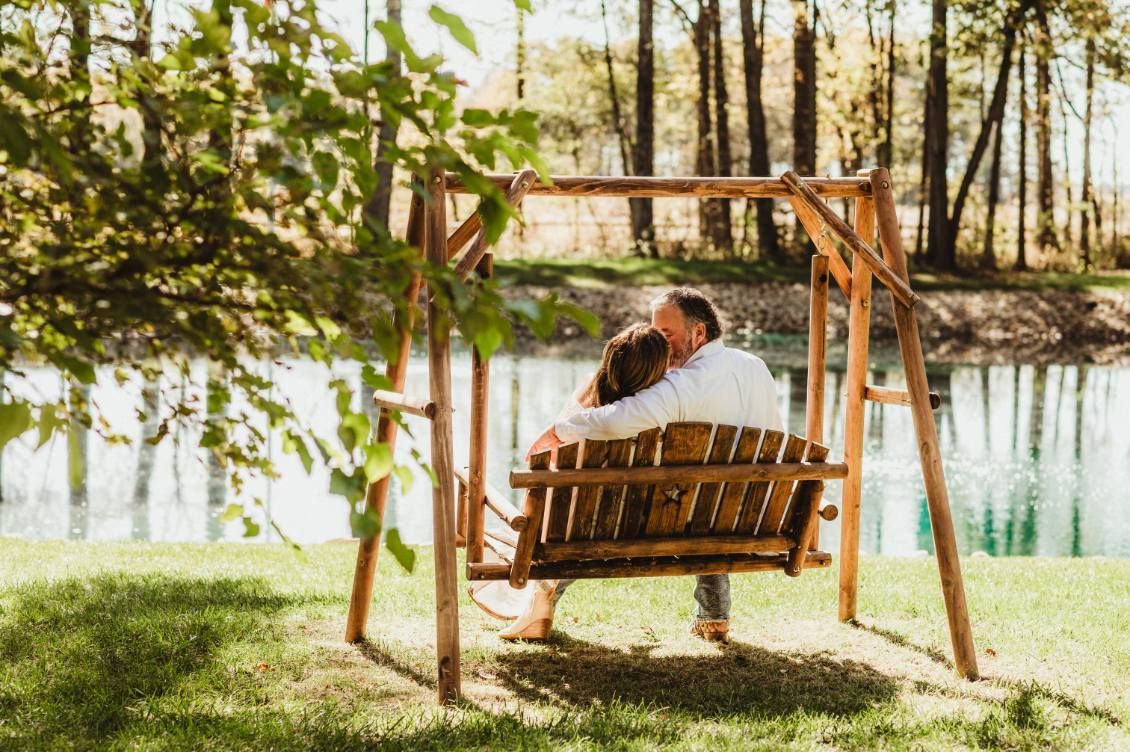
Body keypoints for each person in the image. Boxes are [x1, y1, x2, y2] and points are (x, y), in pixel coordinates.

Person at [522, 287, 783, 644]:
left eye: (666, 334)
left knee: (632, 509)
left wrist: (561, 429)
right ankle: (714, 616)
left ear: (699, 334)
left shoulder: (682, 384)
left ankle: (541, 598)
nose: (660, 344)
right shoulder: (754, 367)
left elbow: (618, 420)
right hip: (750, 518)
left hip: (691, 520)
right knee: (706, 500)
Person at [467, 323, 672, 638]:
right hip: (648, 529)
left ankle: (537, 606)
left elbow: (550, 464)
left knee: (516, 530)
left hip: (572, 533)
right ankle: (715, 615)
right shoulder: (665, 411)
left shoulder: (589, 400)